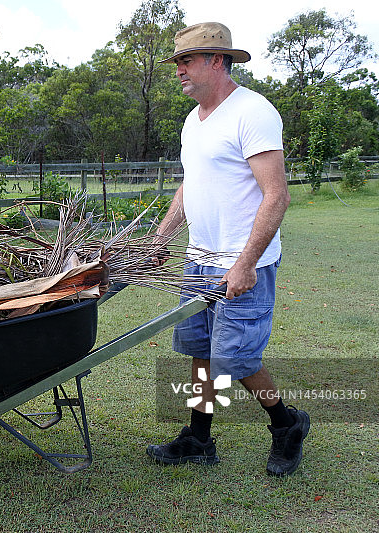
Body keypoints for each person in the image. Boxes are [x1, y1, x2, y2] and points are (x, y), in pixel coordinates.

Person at [146, 22, 310, 476]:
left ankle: (287, 424)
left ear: (217, 61)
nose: (178, 69)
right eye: (177, 61)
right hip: (200, 257)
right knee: (201, 349)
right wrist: (162, 238)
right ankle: (199, 438)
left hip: (241, 264)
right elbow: (190, 186)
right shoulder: (193, 120)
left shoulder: (252, 113)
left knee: (235, 358)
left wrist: (245, 263)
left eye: (187, 60)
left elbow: (276, 195)